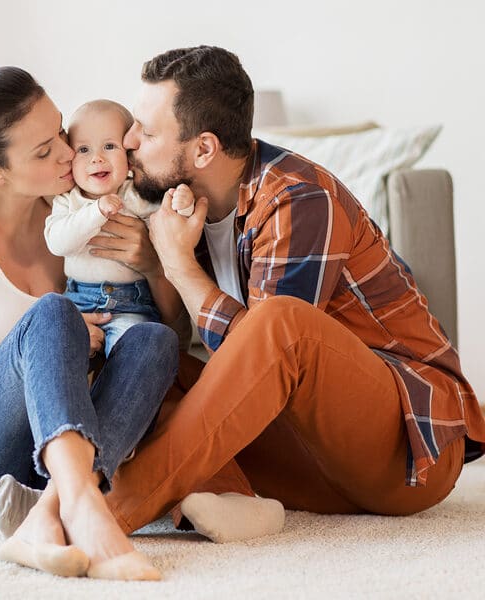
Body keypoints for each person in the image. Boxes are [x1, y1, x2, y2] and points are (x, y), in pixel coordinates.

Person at [92, 45, 485, 536]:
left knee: (283, 322)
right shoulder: (179, 209)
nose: (127, 141)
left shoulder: (298, 196)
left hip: (407, 452)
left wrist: (178, 265)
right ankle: (230, 499)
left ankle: (99, 515)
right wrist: (158, 264)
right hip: (310, 463)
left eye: (146, 132)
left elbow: (270, 354)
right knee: (146, 357)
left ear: (204, 149)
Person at [0, 66, 186, 581]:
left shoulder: (81, 216)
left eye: (61, 132)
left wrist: (154, 267)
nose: (70, 154)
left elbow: (175, 338)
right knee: (52, 314)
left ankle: (49, 512)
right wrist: (28, 346)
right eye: (44, 152)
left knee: (153, 340)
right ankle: (85, 507)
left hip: (42, 471)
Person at [44, 99, 195, 356]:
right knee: (60, 350)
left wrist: (183, 205)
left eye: (110, 146)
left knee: (134, 348)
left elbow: (171, 224)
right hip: (78, 302)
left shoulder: (135, 195)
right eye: (83, 149)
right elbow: (58, 244)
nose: (97, 158)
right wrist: (95, 211)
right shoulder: (67, 201)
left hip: (131, 305)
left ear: (129, 157)